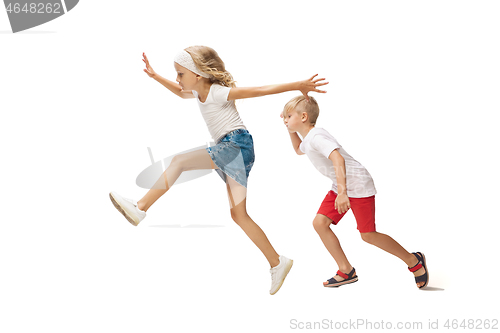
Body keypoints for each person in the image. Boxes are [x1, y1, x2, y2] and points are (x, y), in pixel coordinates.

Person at [109, 46, 328, 294]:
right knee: (239, 215)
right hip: (236, 150)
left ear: (197, 75)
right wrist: (156, 76)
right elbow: (181, 94)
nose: (178, 80)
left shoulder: (218, 92)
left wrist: (298, 84)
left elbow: (258, 91)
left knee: (179, 162)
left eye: (180, 74)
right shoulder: (198, 93)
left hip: (236, 145)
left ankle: (140, 208)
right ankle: (277, 262)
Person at [281, 95, 429, 289]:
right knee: (320, 223)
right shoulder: (308, 139)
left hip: (357, 184)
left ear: (303, 117)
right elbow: (298, 150)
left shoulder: (317, 136)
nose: (285, 119)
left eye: (288, 115)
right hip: (341, 184)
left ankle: (413, 261)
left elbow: (338, 160)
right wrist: (287, 127)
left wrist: (342, 193)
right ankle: (346, 270)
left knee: (368, 235)